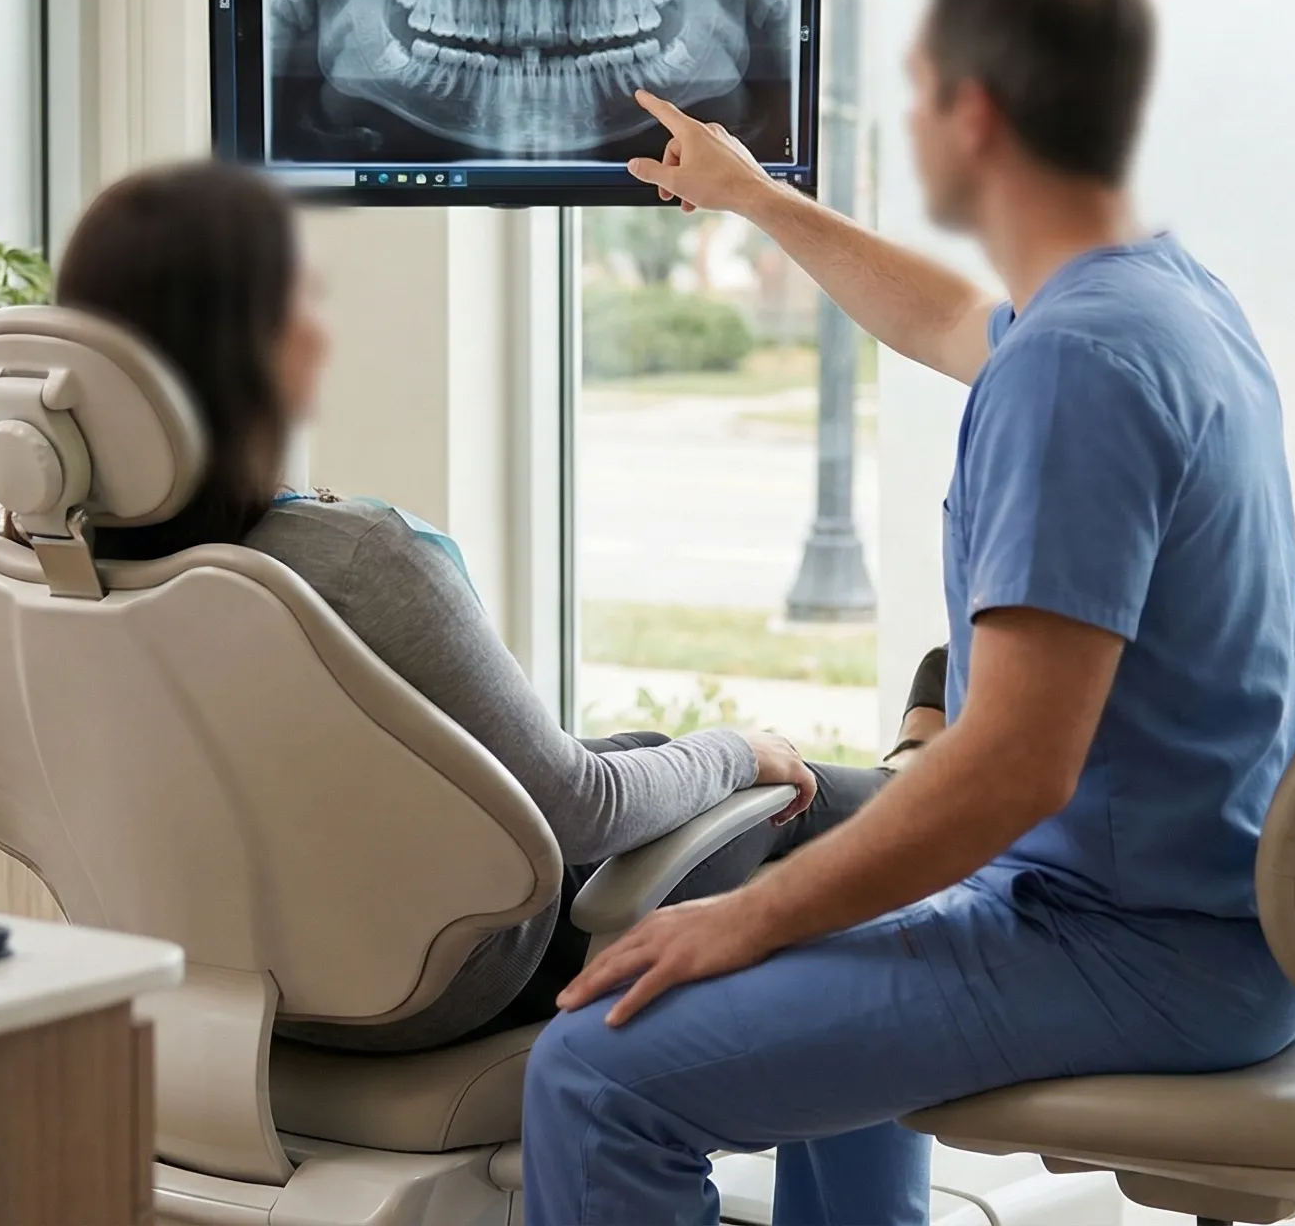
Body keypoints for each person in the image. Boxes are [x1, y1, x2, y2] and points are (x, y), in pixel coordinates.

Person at [519, 0, 1295, 1224]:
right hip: (1209, 915)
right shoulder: (1157, 299)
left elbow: (1011, 768)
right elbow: (950, 319)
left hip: (1134, 946)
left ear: (978, 115)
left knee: (596, 1073)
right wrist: (753, 198)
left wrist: (754, 922)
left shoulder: (1079, 369)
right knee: (821, 846)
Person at [48, 162, 898, 1053]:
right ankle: (930, 797)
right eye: (302, 302)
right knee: (814, 814)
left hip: (205, 972)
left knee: (657, 756)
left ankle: (909, 786)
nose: (322, 335)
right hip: (440, 983)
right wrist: (736, 751)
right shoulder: (355, 561)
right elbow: (578, 807)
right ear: (242, 344)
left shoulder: (52, 577)